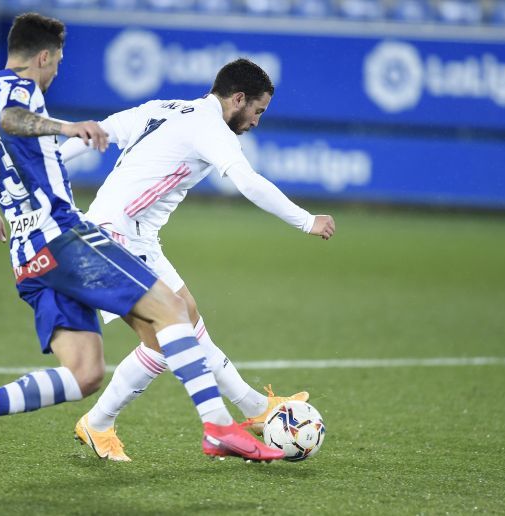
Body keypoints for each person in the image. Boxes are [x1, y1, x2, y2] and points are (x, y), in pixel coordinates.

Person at [0, 13, 284, 473]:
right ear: (42, 56)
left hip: (26, 255)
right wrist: (64, 127)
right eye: (56, 61)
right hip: (63, 237)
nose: (56, 70)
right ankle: (219, 425)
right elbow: (13, 118)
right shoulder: (16, 93)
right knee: (174, 312)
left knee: (86, 373)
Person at [60, 58, 336, 461]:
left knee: (186, 323)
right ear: (238, 99)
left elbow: (96, 134)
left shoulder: (163, 108)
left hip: (137, 237)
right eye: (257, 110)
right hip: (116, 236)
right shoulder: (210, 128)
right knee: (164, 340)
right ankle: (99, 423)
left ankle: (253, 407)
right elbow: (248, 181)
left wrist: (50, 167)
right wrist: (306, 220)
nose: (257, 121)